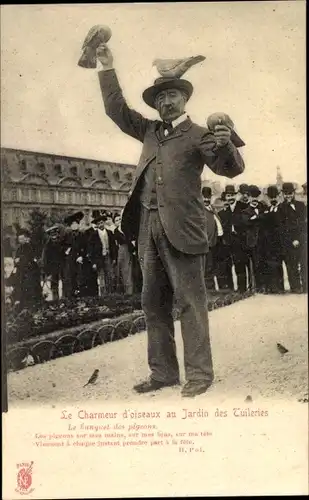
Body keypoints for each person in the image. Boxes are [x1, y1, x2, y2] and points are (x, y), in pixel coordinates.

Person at [96, 43, 245, 397]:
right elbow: (116, 109)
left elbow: (231, 168)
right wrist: (106, 66)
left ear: (184, 99)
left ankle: (199, 375)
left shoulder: (199, 135)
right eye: (160, 98)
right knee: (153, 302)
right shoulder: (149, 131)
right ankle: (163, 373)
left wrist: (226, 145)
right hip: (147, 229)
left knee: (190, 302)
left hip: (184, 228)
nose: (166, 103)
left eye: (173, 95)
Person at [278, 182, 306, 293]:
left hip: (302, 240)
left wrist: (299, 238)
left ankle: (305, 286)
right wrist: (292, 240)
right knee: (292, 265)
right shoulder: (281, 208)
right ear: (283, 194)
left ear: (293, 193)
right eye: (285, 194)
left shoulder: (301, 205)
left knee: (304, 264)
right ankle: (295, 288)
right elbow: (282, 227)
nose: (288, 196)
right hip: (289, 241)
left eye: (290, 193)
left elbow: (303, 224)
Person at [219, 185, 248, 292]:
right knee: (227, 266)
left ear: (236, 195)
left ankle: (242, 289)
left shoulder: (243, 207)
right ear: (225, 197)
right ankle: (230, 288)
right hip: (228, 242)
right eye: (228, 196)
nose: (230, 198)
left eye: (232, 195)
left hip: (240, 241)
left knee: (240, 265)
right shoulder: (224, 211)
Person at [7, 228, 42, 310]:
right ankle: (19, 302)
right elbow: (16, 259)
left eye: (22, 239)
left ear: (26, 238)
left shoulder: (31, 246)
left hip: (30, 270)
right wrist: (18, 261)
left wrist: (20, 260)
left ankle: (32, 304)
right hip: (21, 270)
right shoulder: (20, 248)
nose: (20, 240)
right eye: (19, 239)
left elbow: (30, 258)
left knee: (30, 286)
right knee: (19, 285)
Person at [202, 186, 228, 290]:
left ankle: (222, 288)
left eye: (208, 197)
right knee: (208, 267)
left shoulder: (212, 208)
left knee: (220, 266)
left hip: (218, 241)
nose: (207, 199)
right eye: (204, 197)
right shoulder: (199, 210)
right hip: (208, 243)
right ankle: (210, 289)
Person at [241, 185, 267, 292]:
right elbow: (246, 222)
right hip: (252, 242)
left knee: (263, 263)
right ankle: (255, 286)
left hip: (263, 240)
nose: (255, 199)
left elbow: (267, 218)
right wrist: (259, 217)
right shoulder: (245, 211)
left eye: (256, 196)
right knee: (255, 264)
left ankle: (263, 286)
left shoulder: (263, 207)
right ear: (249, 197)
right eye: (253, 197)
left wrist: (255, 217)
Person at [87, 213, 117, 296]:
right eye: (98, 223)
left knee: (110, 275)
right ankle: (103, 295)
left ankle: (110, 294)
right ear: (96, 225)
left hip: (108, 257)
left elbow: (113, 246)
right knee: (101, 277)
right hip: (98, 259)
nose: (100, 225)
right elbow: (91, 250)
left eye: (102, 222)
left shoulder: (109, 233)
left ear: (104, 223)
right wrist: (93, 262)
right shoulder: (93, 235)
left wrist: (114, 258)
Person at [262, 185, 284, 294]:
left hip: (279, 241)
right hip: (268, 242)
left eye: (275, 197)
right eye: (271, 197)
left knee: (278, 264)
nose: (273, 199)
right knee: (269, 264)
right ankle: (272, 287)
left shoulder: (282, 209)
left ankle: (280, 287)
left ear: (279, 196)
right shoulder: (266, 209)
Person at [62, 211, 86, 299]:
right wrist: (67, 251)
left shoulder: (82, 235)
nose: (74, 225)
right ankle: (70, 295)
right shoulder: (67, 235)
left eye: (76, 223)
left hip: (79, 259)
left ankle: (80, 294)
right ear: (70, 226)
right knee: (70, 277)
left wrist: (81, 256)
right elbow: (63, 246)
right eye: (72, 224)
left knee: (80, 277)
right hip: (70, 259)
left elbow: (85, 246)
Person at [41, 224, 66, 301]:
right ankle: (55, 299)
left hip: (63, 265)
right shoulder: (48, 245)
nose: (54, 236)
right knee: (54, 284)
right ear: (50, 236)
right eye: (52, 235)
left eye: (55, 234)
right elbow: (45, 258)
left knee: (65, 282)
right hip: (53, 267)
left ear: (57, 234)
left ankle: (64, 298)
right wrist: (46, 269)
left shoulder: (62, 242)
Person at [113, 212, 134, 295]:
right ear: (115, 222)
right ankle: (123, 290)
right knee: (121, 269)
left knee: (128, 269)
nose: (119, 221)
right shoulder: (116, 231)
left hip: (128, 249)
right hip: (121, 249)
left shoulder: (126, 229)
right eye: (116, 220)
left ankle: (130, 290)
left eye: (120, 219)